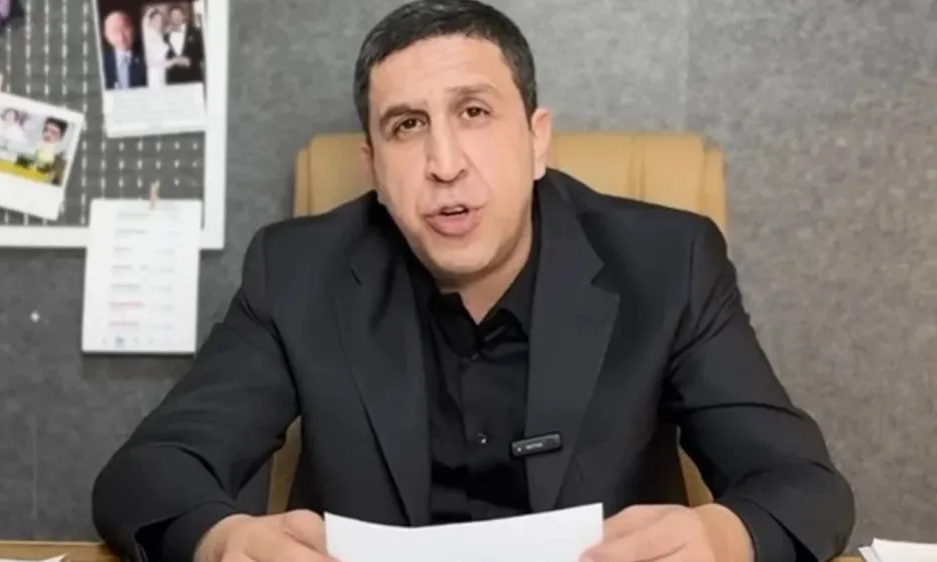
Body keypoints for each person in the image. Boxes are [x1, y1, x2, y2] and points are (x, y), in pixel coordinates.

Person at [91, 1, 856, 562]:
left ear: (536, 140)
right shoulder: (296, 272)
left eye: (475, 112)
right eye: (407, 126)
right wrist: (221, 540)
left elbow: (800, 482)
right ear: (373, 166)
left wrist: (724, 535)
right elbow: (148, 473)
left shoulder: (668, 261)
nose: (445, 163)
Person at [101, 10, 147, 90]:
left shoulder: (147, 57)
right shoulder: (101, 62)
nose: (121, 36)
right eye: (115, 31)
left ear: (133, 30)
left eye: (125, 29)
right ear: (106, 36)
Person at [163, 5, 204, 85]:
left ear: (184, 16)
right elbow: (163, 57)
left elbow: (202, 53)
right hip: (173, 80)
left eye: (178, 15)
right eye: (173, 15)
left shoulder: (195, 32)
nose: (176, 18)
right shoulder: (165, 37)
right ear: (170, 18)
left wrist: (191, 61)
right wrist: (174, 61)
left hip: (193, 77)